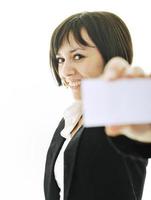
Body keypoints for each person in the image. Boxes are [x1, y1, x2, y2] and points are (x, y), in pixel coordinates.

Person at [44, 11, 151, 200]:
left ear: (110, 54)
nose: (65, 71)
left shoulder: (121, 114)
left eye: (78, 56)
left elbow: (140, 139)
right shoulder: (69, 121)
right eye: (60, 59)